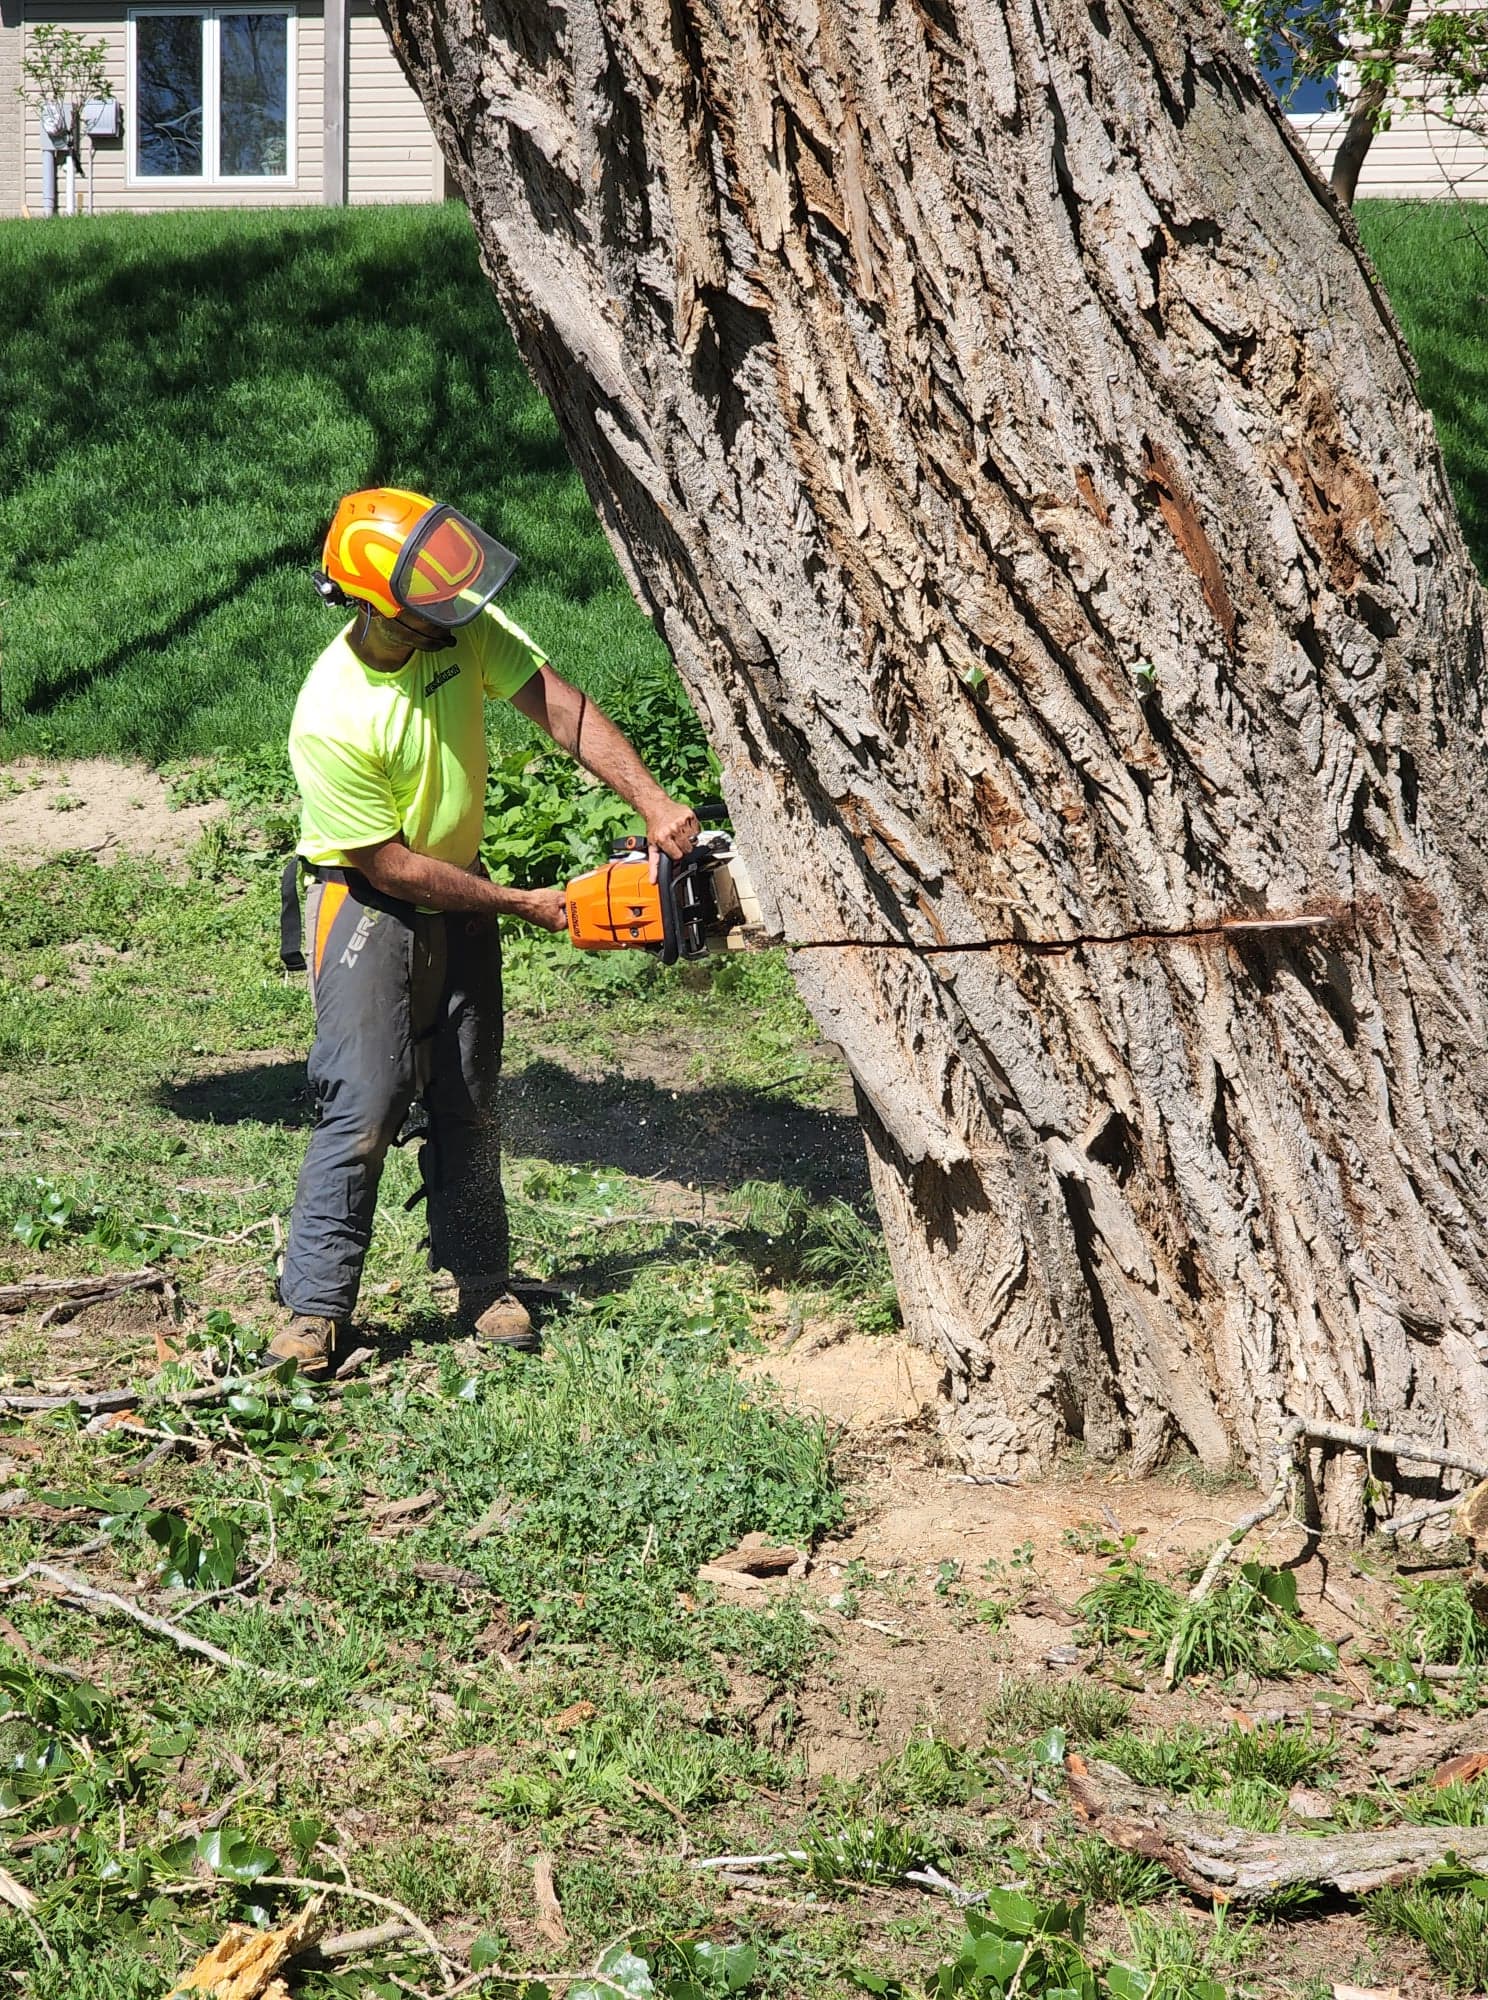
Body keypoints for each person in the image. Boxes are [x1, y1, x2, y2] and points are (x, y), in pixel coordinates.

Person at [270, 486, 699, 1372]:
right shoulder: (331, 712)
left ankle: (480, 1280)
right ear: (379, 608)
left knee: (467, 1091)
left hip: (457, 888)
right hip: (367, 900)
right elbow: (385, 864)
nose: (456, 616)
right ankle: (314, 1309)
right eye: (434, 607)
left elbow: (559, 703)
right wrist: (523, 903)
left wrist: (653, 801)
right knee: (368, 1097)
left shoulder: (457, 631)